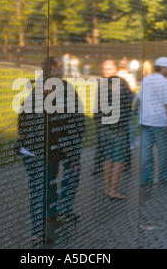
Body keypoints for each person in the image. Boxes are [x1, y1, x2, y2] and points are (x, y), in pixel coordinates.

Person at [17, 57, 85, 243]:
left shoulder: (50, 94)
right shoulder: (46, 99)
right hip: (42, 151)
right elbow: (64, 128)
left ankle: (52, 214)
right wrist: (72, 156)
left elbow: (71, 123)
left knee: (44, 186)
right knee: (42, 187)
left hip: (43, 151)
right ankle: (40, 228)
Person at [136, 57, 167, 185]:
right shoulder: (165, 82)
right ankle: (165, 176)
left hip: (145, 120)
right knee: (163, 150)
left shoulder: (146, 79)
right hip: (160, 122)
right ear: (163, 68)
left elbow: (140, 99)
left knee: (146, 150)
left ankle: (146, 178)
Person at [94, 61, 133, 199]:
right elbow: (130, 103)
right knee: (118, 160)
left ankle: (107, 188)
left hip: (105, 129)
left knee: (108, 159)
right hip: (119, 131)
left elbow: (97, 111)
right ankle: (113, 190)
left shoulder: (103, 89)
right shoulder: (123, 90)